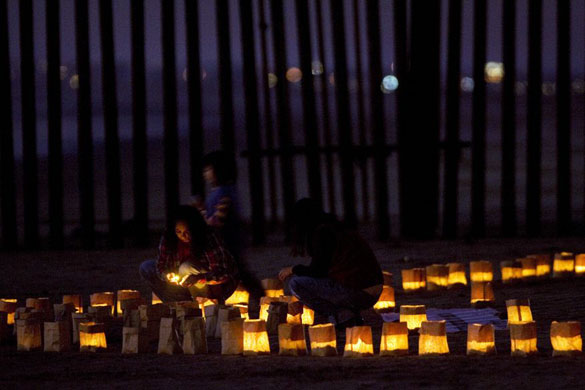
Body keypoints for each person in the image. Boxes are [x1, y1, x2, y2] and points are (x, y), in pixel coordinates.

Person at [278, 198, 383, 329]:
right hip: (373, 289)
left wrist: (293, 269)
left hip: (359, 291)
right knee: (319, 281)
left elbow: (318, 271)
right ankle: (350, 314)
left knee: (296, 284)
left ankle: (342, 316)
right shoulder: (336, 226)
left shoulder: (323, 232)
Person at [195, 151, 264, 309]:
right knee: (237, 272)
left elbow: (217, 220)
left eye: (208, 170)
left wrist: (201, 212)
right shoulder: (222, 191)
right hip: (227, 242)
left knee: (238, 273)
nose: (205, 174)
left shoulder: (225, 193)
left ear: (219, 171)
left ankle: (262, 299)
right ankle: (258, 298)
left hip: (229, 241)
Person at [139, 205, 239, 303]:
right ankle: (182, 304)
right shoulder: (169, 238)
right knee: (146, 267)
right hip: (185, 286)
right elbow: (161, 266)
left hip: (215, 287)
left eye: (188, 231)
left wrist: (200, 278)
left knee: (186, 267)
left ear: (196, 228)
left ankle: (203, 304)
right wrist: (167, 275)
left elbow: (224, 272)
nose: (183, 236)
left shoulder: (208, 237)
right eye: (179, 232)